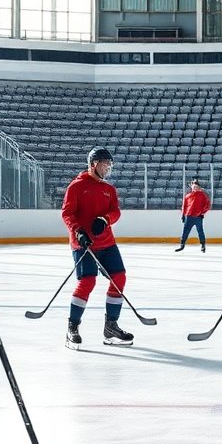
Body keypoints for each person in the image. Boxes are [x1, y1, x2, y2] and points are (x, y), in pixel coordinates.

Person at [62, 147, 133, 348]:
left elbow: (116, 212)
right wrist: (78, 231)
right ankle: (72, 327)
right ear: (94, 164)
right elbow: (67, 213)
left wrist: (105, 219)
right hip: (83, 244)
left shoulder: (109, 189)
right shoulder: (76, 187)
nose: (108, 168)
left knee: (119, 278)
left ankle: (111, 327)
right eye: (105, 164)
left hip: (106, 243)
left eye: (110, 164)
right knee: (87, 282)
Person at [176, 178, 210, 252]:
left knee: (200, 231)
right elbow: (184, 206)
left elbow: (207, 204)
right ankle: (182, 244)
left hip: (198, 217)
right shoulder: (187, 196)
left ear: (199, 187)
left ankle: (203, 245)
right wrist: (183, 215)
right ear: (191, 187)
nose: (195, 188)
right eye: (194, 187)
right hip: (189, 216)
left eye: (197, 187)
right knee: (185, 231)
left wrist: (203, 212)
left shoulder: (202, 195)